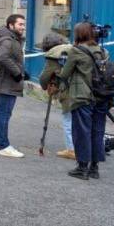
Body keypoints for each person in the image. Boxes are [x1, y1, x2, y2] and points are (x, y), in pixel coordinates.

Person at [59, 22, 110, 180]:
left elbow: (65, 73)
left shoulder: (76, 51)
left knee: (82, 132)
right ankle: (94, 168)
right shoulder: (103, 51)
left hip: (83, 96)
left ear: (79, 34)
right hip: (101, 96)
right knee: (97, 131)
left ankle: (82, 168)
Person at [0, 14, 28, 158]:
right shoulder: (8, 39)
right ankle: (4, 146)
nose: (23, 27)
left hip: (6, 80)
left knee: (1, 112)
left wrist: (25, 73)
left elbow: (14, 59)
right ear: (10, 25)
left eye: (24, 25)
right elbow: (2, 57)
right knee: (5, 113)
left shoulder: (12, 38)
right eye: (20, 24)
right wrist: (17, 74)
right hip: (7, 81)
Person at [38, 32, 75, 160]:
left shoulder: (55, 54)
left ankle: (72, 149)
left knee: (68, 121)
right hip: (85, 90)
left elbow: (44, 77)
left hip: (69, 91)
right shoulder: (73, 49)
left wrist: (45, 85)